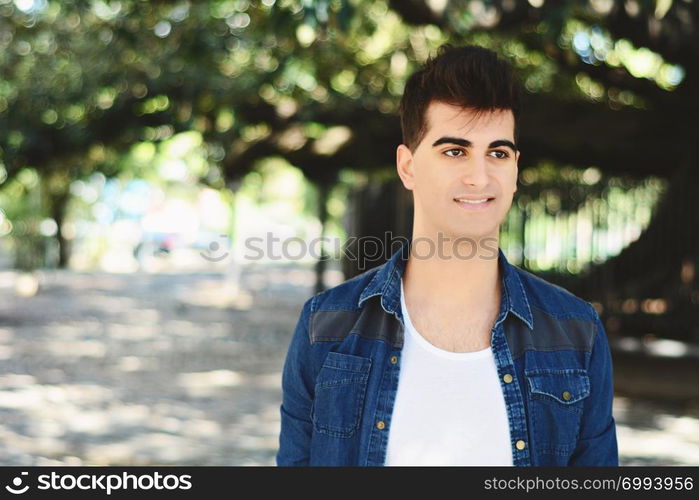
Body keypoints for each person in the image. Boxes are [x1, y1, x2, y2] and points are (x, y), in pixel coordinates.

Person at [276, 43, 619, 466]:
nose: (479, 176)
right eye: (454, 151)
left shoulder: (576, 332)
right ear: (408, 167)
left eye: (497, 153)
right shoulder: (325, 327)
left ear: (515, 170)